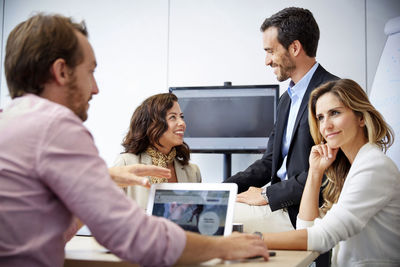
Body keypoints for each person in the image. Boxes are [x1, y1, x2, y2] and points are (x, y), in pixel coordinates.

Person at [0, 14, 269, 267]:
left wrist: (103, 179)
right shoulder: (56, 126)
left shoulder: (9, 121)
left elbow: (40, 230)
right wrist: (223, 247)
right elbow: (132, 235)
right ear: (61, 72)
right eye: (90, 71)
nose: (95, 88)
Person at [260, 79, 400, 266]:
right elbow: (306, 227)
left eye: (334, 113)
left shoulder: (374, 167)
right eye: (320, 118)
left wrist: (255, 239)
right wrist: (315, 173)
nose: (326, 126)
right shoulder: (351, 167)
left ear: (361, 117)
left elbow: (321, 238)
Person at [224, 7, 338, 232]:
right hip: (279, 205)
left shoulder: (334, 94)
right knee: (216, 206)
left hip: (305, 210)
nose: (266, 61)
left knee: (215, 219)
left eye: (270, 51)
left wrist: (268, 194)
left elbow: (331, 172)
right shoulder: (287, 99)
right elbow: (269, 162)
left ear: (294, 47)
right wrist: (223, 190)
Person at [114, 93, 201, 209]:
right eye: (173, 117)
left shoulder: (192, 172)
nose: (182, 123)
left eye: (181, 117)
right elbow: (109, 215)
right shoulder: (126, 163)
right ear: (152, 124)